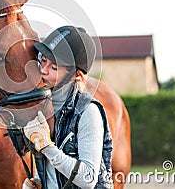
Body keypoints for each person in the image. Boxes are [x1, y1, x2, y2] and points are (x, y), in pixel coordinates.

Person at [22, 26, 114, 189]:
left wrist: (47, 147)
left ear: (76, 75)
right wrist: (39, 180)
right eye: (43, 60)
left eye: (54, 68)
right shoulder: (44, 108)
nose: (43, 70)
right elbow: (50, 165)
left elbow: (88, 179)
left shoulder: (89, 112)